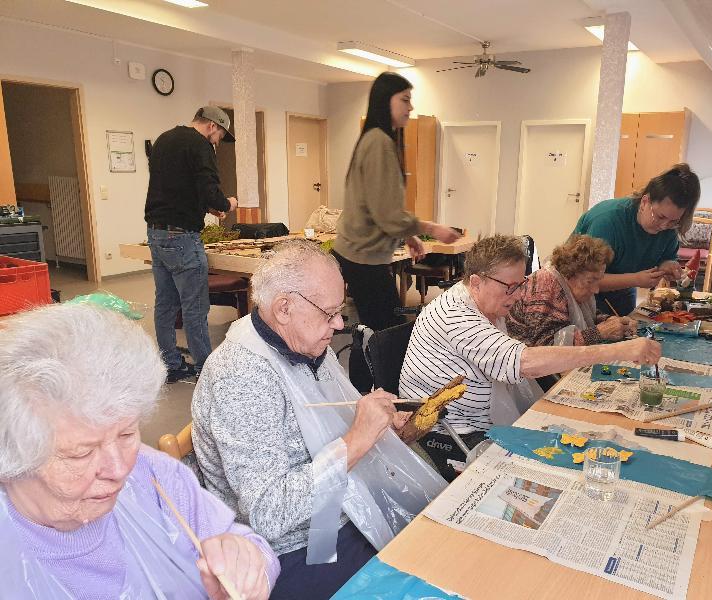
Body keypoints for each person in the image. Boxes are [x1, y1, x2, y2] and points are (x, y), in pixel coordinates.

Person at [192, 240, 446, 600]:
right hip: (294, 548)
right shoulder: (241, 376)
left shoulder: (305, 343)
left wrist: (381, 428)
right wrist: (357, 441)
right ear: (284, 308)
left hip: (341, 510)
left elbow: (334, 423)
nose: (340, 324)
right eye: (329, 314)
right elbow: (268, 514)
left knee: (443, 541)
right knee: (428, 573)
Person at [0, 303, 278, 599]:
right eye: (82, 453)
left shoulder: (155, 474)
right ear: (12, 458)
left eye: (126, 433)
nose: (120, 469)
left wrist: (249, 563)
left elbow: (248, 545)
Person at [399, 235, 661, 480]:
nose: (519, 295)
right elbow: (524, 362)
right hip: (449, 433)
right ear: (476, 282)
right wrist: (620, 350)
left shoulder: (480, 298)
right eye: (510, 287)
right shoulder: (457, 316)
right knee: (556, 469)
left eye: (521, 284)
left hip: (478, 418)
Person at [332, 72, 460, 391]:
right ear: (384, 100)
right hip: (362, 258)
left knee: (373, 329)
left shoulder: (377, 139)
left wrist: (409, 235)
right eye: (404, 99)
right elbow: (386, 213)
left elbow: (381, 205)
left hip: (360, 255)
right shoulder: (378, 143)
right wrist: (432, 229)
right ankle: (376, 395)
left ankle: (367, 390)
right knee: (384, 332)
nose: (410, 107)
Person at [145, 106, 239, 383]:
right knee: (195, 308)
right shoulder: (200, 146)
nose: (218, 141)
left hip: (156, 232)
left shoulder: (164, 139)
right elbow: (209, 189)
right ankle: (205, 370)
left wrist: (206, 207)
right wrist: (226, 204)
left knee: (165, 304)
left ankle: (170, 364)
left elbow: (178, 187)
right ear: (212, 126)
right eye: (220, 134)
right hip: (182, 237)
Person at [574, 163, 701, 316]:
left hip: (622, 293)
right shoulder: (607, 221)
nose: (664, 225)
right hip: (580, 294)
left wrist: (667, 265)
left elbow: (665, 257)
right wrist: (635, 279)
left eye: (674, 221)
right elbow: (587, 279)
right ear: (645, 202)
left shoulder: (670, 227)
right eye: (660, 217)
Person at [507, 234, 637, 347]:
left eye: (599, 280)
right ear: (570, 273)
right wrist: (599, 332)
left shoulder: (571, 286)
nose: (596, 289)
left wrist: (610, 321)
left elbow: (587, 316)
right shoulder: (545, 288)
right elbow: (546, 347)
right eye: (590, 281)